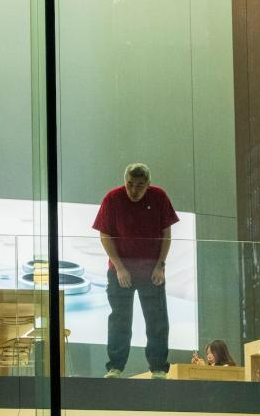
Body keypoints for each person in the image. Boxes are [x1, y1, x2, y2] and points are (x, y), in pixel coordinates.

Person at [93, 162, 179, 379]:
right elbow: (105, 235)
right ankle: (115, 367)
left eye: (140, 185)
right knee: (120, 320)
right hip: (120, 271)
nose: (134, 190)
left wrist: (161, 265)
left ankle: (158, 368)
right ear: (125, 181)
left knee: (157, 320)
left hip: (152, 271)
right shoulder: (112, 199)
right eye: (130, 184)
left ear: (148, 184)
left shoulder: (159, 197)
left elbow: (166, 234)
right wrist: (120, 267)